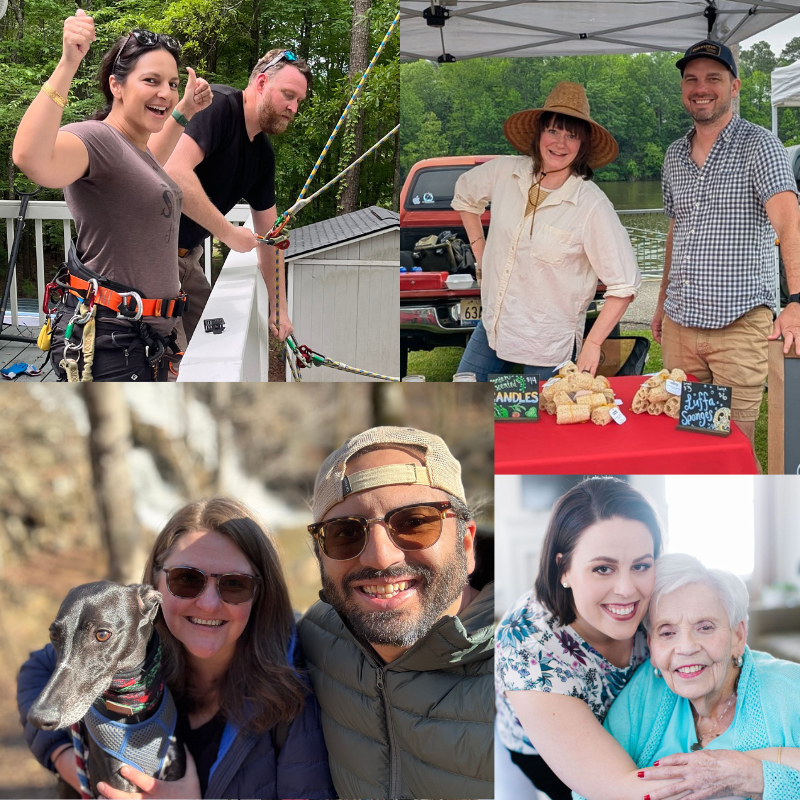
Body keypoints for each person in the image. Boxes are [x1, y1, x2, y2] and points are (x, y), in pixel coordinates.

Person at [17, 497, 335, 799]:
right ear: (155, 583)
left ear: (261, 594)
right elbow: (39, 669)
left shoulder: (295, 689)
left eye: (234, 584)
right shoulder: (131, 647)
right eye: (186, 580)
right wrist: (73, 765)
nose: (209, 604)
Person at [496, 477, 792, 800]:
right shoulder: (525, 644)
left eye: (640, 565)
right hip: (547, 752)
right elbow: (623, 789)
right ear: (563, 568)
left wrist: (751, 768)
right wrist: (742, 770)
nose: (627, 589)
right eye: (603, 569)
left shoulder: (656, 596)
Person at [12, 12, 213, 382]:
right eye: (151, 80)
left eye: (170, 82)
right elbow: (30, 157)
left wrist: (185, 110)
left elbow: (152, 163)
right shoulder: (96, 139)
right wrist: (68, 62)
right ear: (116, 86)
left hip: (146, 338)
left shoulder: (134, 151)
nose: (165, 92)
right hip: (111, 340)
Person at [297, 426, 493, 799]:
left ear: (466, 544)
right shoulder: (314, 640)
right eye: (344, 533)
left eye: (416, 522)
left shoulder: (533, 666)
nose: (380, 557)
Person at [652, 39, 800, 447]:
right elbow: (676, 230)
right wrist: (663, 299)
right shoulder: (673, 155)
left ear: (734, 86)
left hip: (738, 326)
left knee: (728, 447)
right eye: (692, 79)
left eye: (713, 78)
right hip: (682, 327)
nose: (702, 88)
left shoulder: (760, 145)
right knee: (694, 442)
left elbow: (790, 225)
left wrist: (797, 301)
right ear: (683, 89)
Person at [451, 81, 641, 381]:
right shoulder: (505, 171)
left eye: (571, 136)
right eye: (553, 131)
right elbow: (464, 194)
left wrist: (593, 344)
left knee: (543, 422)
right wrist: (481, 252)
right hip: (493, 325)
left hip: (547, 344)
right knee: (465, 402)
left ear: (583, 145)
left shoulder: (591, 205)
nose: (560, 143)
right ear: (539, 133)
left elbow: (624, 285)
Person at [600, 553, 800, 800]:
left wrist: (755, 776)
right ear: (651, 646)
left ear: (738, 636)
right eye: (667, 632)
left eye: (705, 627)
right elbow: (589, 787)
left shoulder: (791, 689)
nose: (686, 647)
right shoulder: (645, 691)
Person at [160, 50, 312, 351]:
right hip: (150, 257)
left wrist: (278, 307)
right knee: (170, 363)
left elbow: (272, 237)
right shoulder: (217, 107)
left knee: (213, 340)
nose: (293, 108)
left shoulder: (262, 156)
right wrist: (228, 233)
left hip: (186, 259)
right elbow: (174, 172)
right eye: (288, 95)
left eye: (298, 102)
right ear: (261, 83)